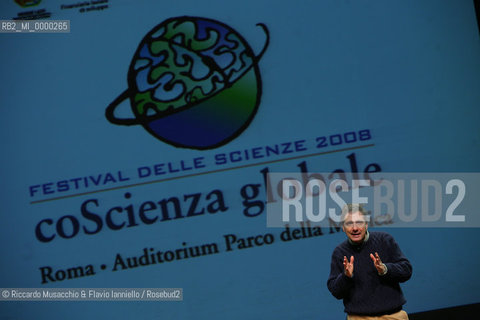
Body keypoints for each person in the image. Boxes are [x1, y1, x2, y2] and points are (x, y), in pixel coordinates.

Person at [327, 204, 412, 320]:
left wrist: (385, 269)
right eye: (349, 223)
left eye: (359, 222)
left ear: (366, 224)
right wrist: (346, 276)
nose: (355, 228)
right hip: (358, 318)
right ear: (343, 227)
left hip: (392, 316)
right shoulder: (340, 252)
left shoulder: (384, 240)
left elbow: (406, 270)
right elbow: (335, 291)